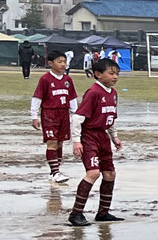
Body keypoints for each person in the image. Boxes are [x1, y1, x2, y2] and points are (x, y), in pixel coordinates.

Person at [67, 56, 123, 226]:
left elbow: (110, 118)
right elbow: (77, 118)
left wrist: (114, 137)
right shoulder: (93, 93)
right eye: (111, 73)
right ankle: (76, 214)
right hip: (89, 136)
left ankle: (103, 213)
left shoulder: (113, 94)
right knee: (93, 173)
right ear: (98, 74)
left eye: (117, 73)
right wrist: (76, 141)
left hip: (103, 137)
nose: (115, 77)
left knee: (110, 174)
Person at [31, 49, 78, 184]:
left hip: (63, 114)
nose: (63, 64)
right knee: (52, 142)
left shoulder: (68, 80)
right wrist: (34, 116)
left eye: (65, 62)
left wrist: (76, 115)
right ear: (50, 63)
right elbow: (37, 97)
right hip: (49, 114)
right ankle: (56, 172)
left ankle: (55, 171)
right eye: (60, 62)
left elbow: (72, 98)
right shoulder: (45, 79)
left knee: (60, 142)